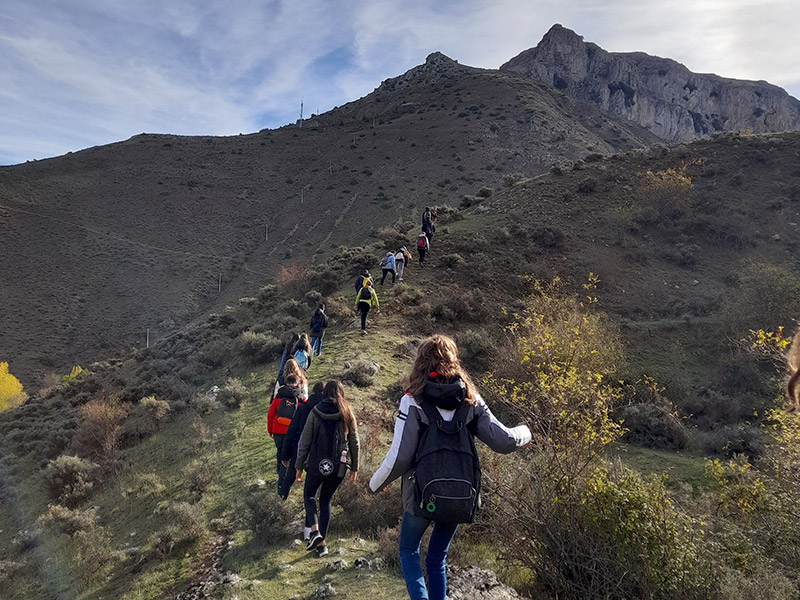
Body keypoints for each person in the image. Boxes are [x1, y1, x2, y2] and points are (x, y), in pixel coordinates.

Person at [369, 335, 531, 600]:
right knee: (437, 558)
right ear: (454, 361)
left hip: (421, 494)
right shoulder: (471, 400)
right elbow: (504, 440)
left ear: (420, 362)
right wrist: (527, 432)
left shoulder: (412, 401)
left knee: (409, 550)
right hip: (460, 494)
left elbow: (399, 457)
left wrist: (373, 484)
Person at [295, 380, 359, 558]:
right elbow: (354, 442)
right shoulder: (347, 412)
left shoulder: (315, 412)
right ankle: (322, 545)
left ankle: (315, 531)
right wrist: (354, 467)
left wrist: (299, 466)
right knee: (326, 501)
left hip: (316, 463)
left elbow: (305, 442)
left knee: (309, 495)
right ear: (341, 393)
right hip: (338, 465)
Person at [280, 381, 325, 510]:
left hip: (300, 447)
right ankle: (314, 510)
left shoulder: (304, 407)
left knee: (290, 476)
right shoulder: (327, 409)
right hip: (319, 450)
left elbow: (291, 431)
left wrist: (285, 455)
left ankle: (281, 500)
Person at [268, 372, 308, 495]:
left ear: (286, 383)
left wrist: (270, 430)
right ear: (297, 384)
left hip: (278, 431)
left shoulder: (278, 397)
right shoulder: (301, 399)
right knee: (290, 457)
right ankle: (287, 480)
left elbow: (270, 415)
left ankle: (280, 480)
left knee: (280, 454)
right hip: (293, 432)